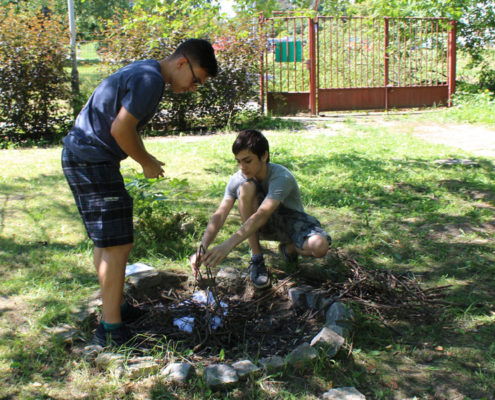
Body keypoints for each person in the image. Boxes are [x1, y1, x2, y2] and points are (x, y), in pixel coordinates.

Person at [62, 39, 218, 347]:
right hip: (90, 159)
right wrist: (146, 163)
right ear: (182, 63)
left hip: (85, 156)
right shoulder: (151, 80)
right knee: (118, 244)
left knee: (108, 242)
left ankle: (114, 307)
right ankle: (110, 329)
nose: (192, 88)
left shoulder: (145, 69)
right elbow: (121, 129)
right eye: (196, 80)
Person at [190, 129, 330, 289]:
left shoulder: (281, 177)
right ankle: (257, 258)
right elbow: (220, 214)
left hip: (291, 223)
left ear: (264, 156)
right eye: (238, 161)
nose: (242, 167)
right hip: (259, 227)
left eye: (247, 161)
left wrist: (227, 245)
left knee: (320, 247)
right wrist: (201, 249)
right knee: (246, 188)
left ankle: (289, 248)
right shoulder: (238, 179)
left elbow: (263, 214)